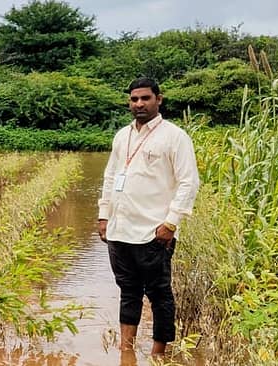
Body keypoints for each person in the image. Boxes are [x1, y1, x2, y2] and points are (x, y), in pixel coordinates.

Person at [97, 77, 200, 357]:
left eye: (145, 98)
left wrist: (170, 224)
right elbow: (109, 177)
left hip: (153, 233)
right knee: (128, 291)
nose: (139, 104)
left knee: (159, 294)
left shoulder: (174, 136)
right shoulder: (123, 135)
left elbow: (189, 182)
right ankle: (126, 352)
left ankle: (158, 355)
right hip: (119, 231)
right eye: (134, 99)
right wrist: (104, 216)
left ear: (159, 99)